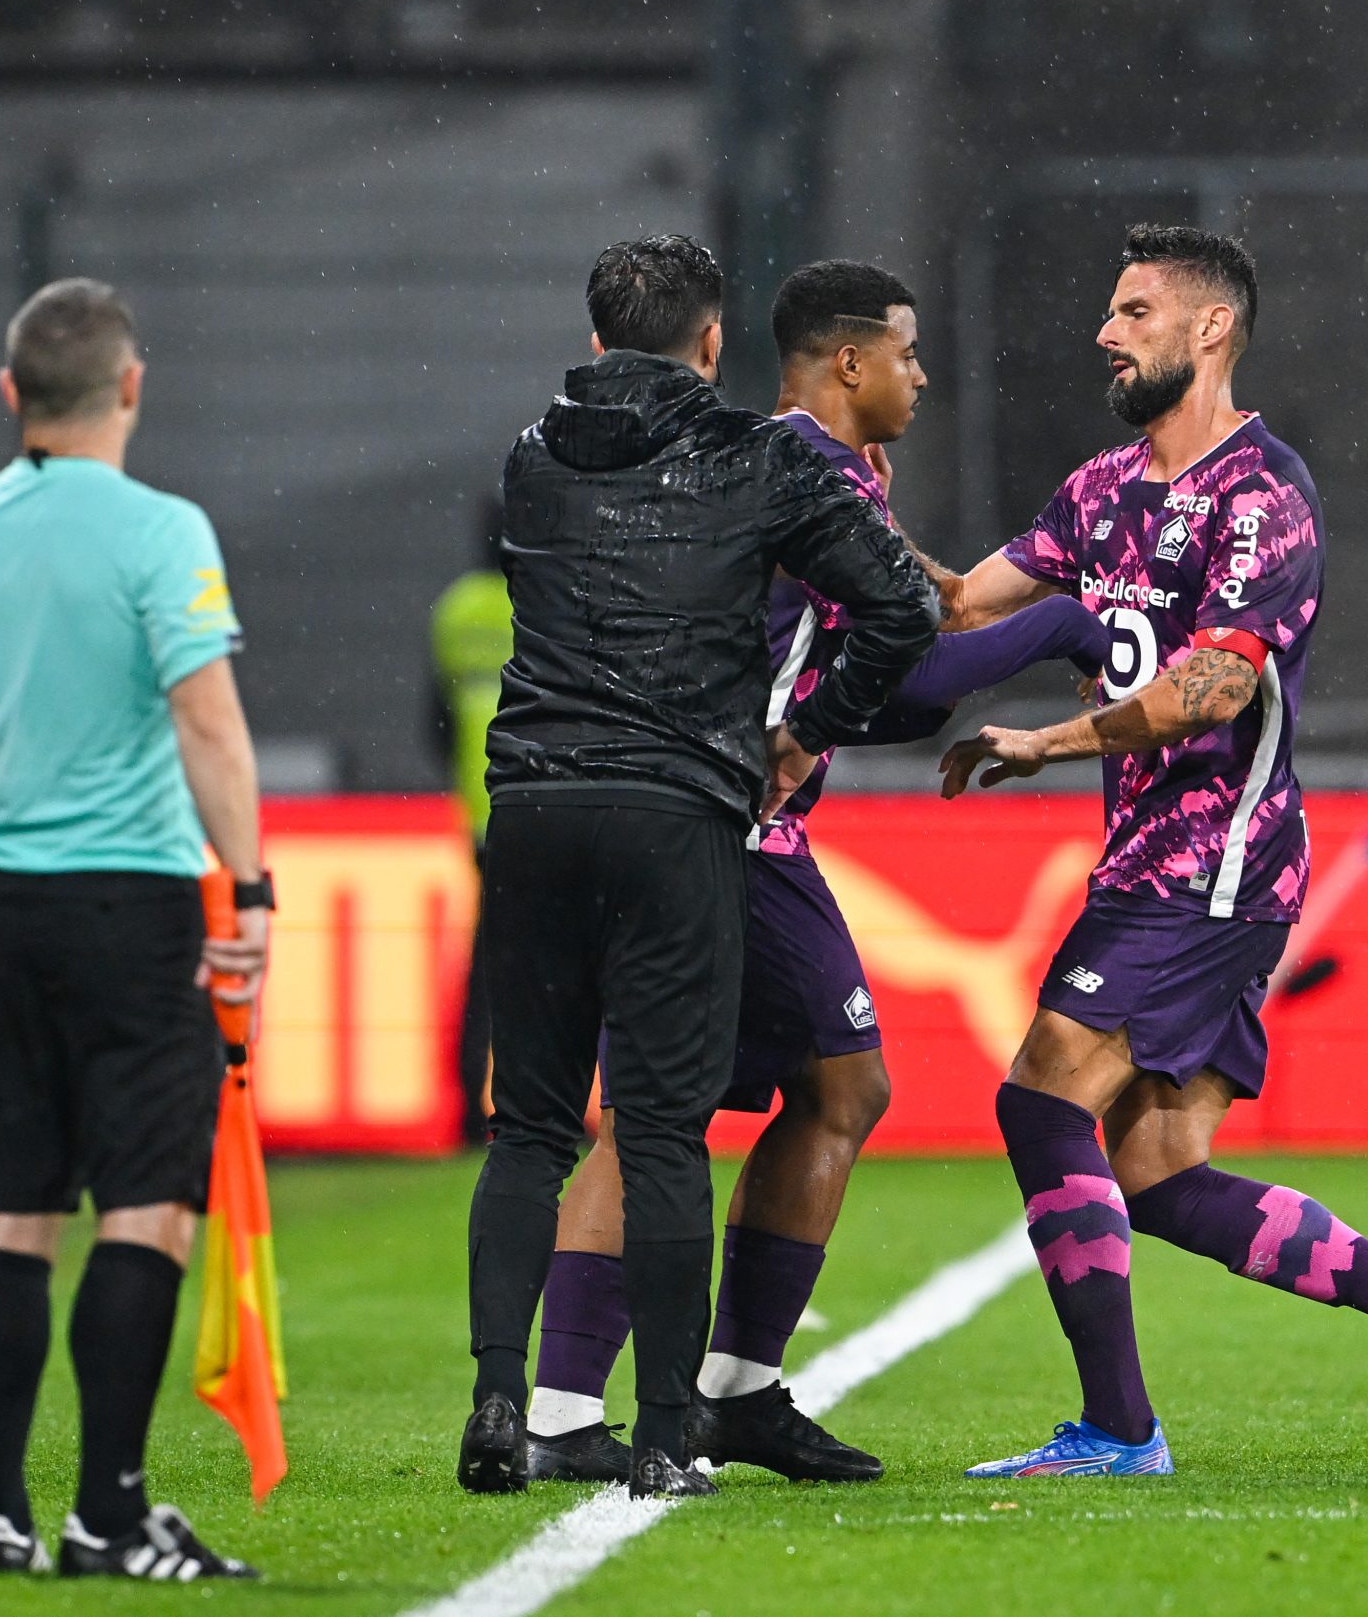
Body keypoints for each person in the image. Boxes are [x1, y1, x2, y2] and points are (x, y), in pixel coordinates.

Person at [931, 225, 1368, 1478]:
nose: (1107, 331)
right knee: (1155, 1171)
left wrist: (1044, 743)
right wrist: (824, 525)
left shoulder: (1262, 496)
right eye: (1110, 310)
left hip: (1213, 863)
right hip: (1147, 861)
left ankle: (1117, 1429)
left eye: (1135, 310)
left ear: (1209, 330)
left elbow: (1210, 688)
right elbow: (956, 601)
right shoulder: (1099, 491)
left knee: (1042, 1096)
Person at [517, 261, 1112, 1487]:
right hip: (731, 834)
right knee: (832, 1089)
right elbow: (901, 675)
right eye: (904, 352)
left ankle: (585, 1405)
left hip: (659, 813)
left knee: (688, 1112)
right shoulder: (801, 470)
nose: (919, 374)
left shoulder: (788, 461)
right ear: (847, 363)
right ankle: (703, 1396)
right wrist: (1064, 626)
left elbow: (890, 652)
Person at [458, 236, 938, 1501]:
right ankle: (675, 1426)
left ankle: (511, 1401)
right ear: (713, 344)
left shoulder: (528, 455)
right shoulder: (759, 455)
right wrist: (807, 726)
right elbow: (902, 611)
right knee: (670, 1126)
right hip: (684, 810)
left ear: (598, 335)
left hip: (536, 804)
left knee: (531, 1131)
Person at [0, 279, 270, 1578]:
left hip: (0, 905)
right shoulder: (160, 533)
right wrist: (254, 886)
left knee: (9, 1211)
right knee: (148, 1207)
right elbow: (209, 723)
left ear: (12, 395)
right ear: (130, 385)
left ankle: (0, 1513)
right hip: (132, 903)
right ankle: (107, 1512)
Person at [430, 495, 510, 1145]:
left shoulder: (455, 611)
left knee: (486, 963)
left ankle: (464, 1106)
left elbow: (434, 720)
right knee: (552, 965)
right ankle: (546, 1105)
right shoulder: (544, 607)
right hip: (539, 802)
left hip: (480, 812)